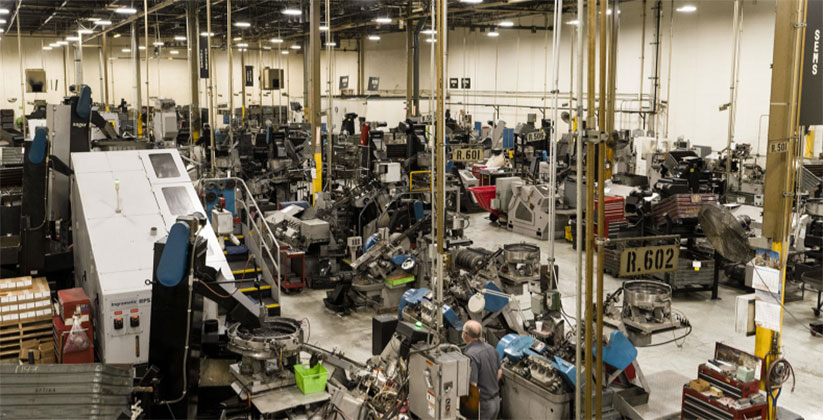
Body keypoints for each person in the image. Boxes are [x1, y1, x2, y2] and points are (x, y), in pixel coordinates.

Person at [462, 320, 502, 420]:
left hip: (483, 405)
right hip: (496, 402)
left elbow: (473, 385)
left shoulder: (470, 355)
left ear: (465, 335)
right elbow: (499, 372)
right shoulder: (492, 349)